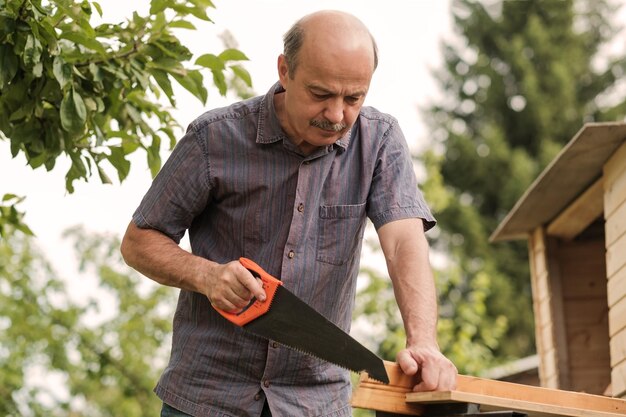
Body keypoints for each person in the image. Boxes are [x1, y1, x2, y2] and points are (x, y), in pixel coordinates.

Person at [121, 9, 457, 417]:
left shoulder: (380, 141)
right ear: (285, 71)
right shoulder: (214, 137)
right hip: (208, 396)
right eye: (321, 94)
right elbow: (139, 241)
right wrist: (206, 276)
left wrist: (422, 340)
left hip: (315, 402)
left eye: (353, 98)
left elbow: (405, 241)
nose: (336, 115)